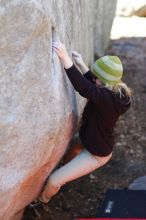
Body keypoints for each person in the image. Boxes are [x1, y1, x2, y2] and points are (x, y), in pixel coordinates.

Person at [38, 41, 132, 203]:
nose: (93, 79)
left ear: (105, 83)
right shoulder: (112, 90)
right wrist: (81, 64)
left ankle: (41, 200)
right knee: (74, 146)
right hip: (88, 139)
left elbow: (84, 87)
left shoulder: (107, 99)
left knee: (54, 180)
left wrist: (65, 58)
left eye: (96, 77)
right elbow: (94, 85)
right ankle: (66, 169)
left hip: (96, 154)